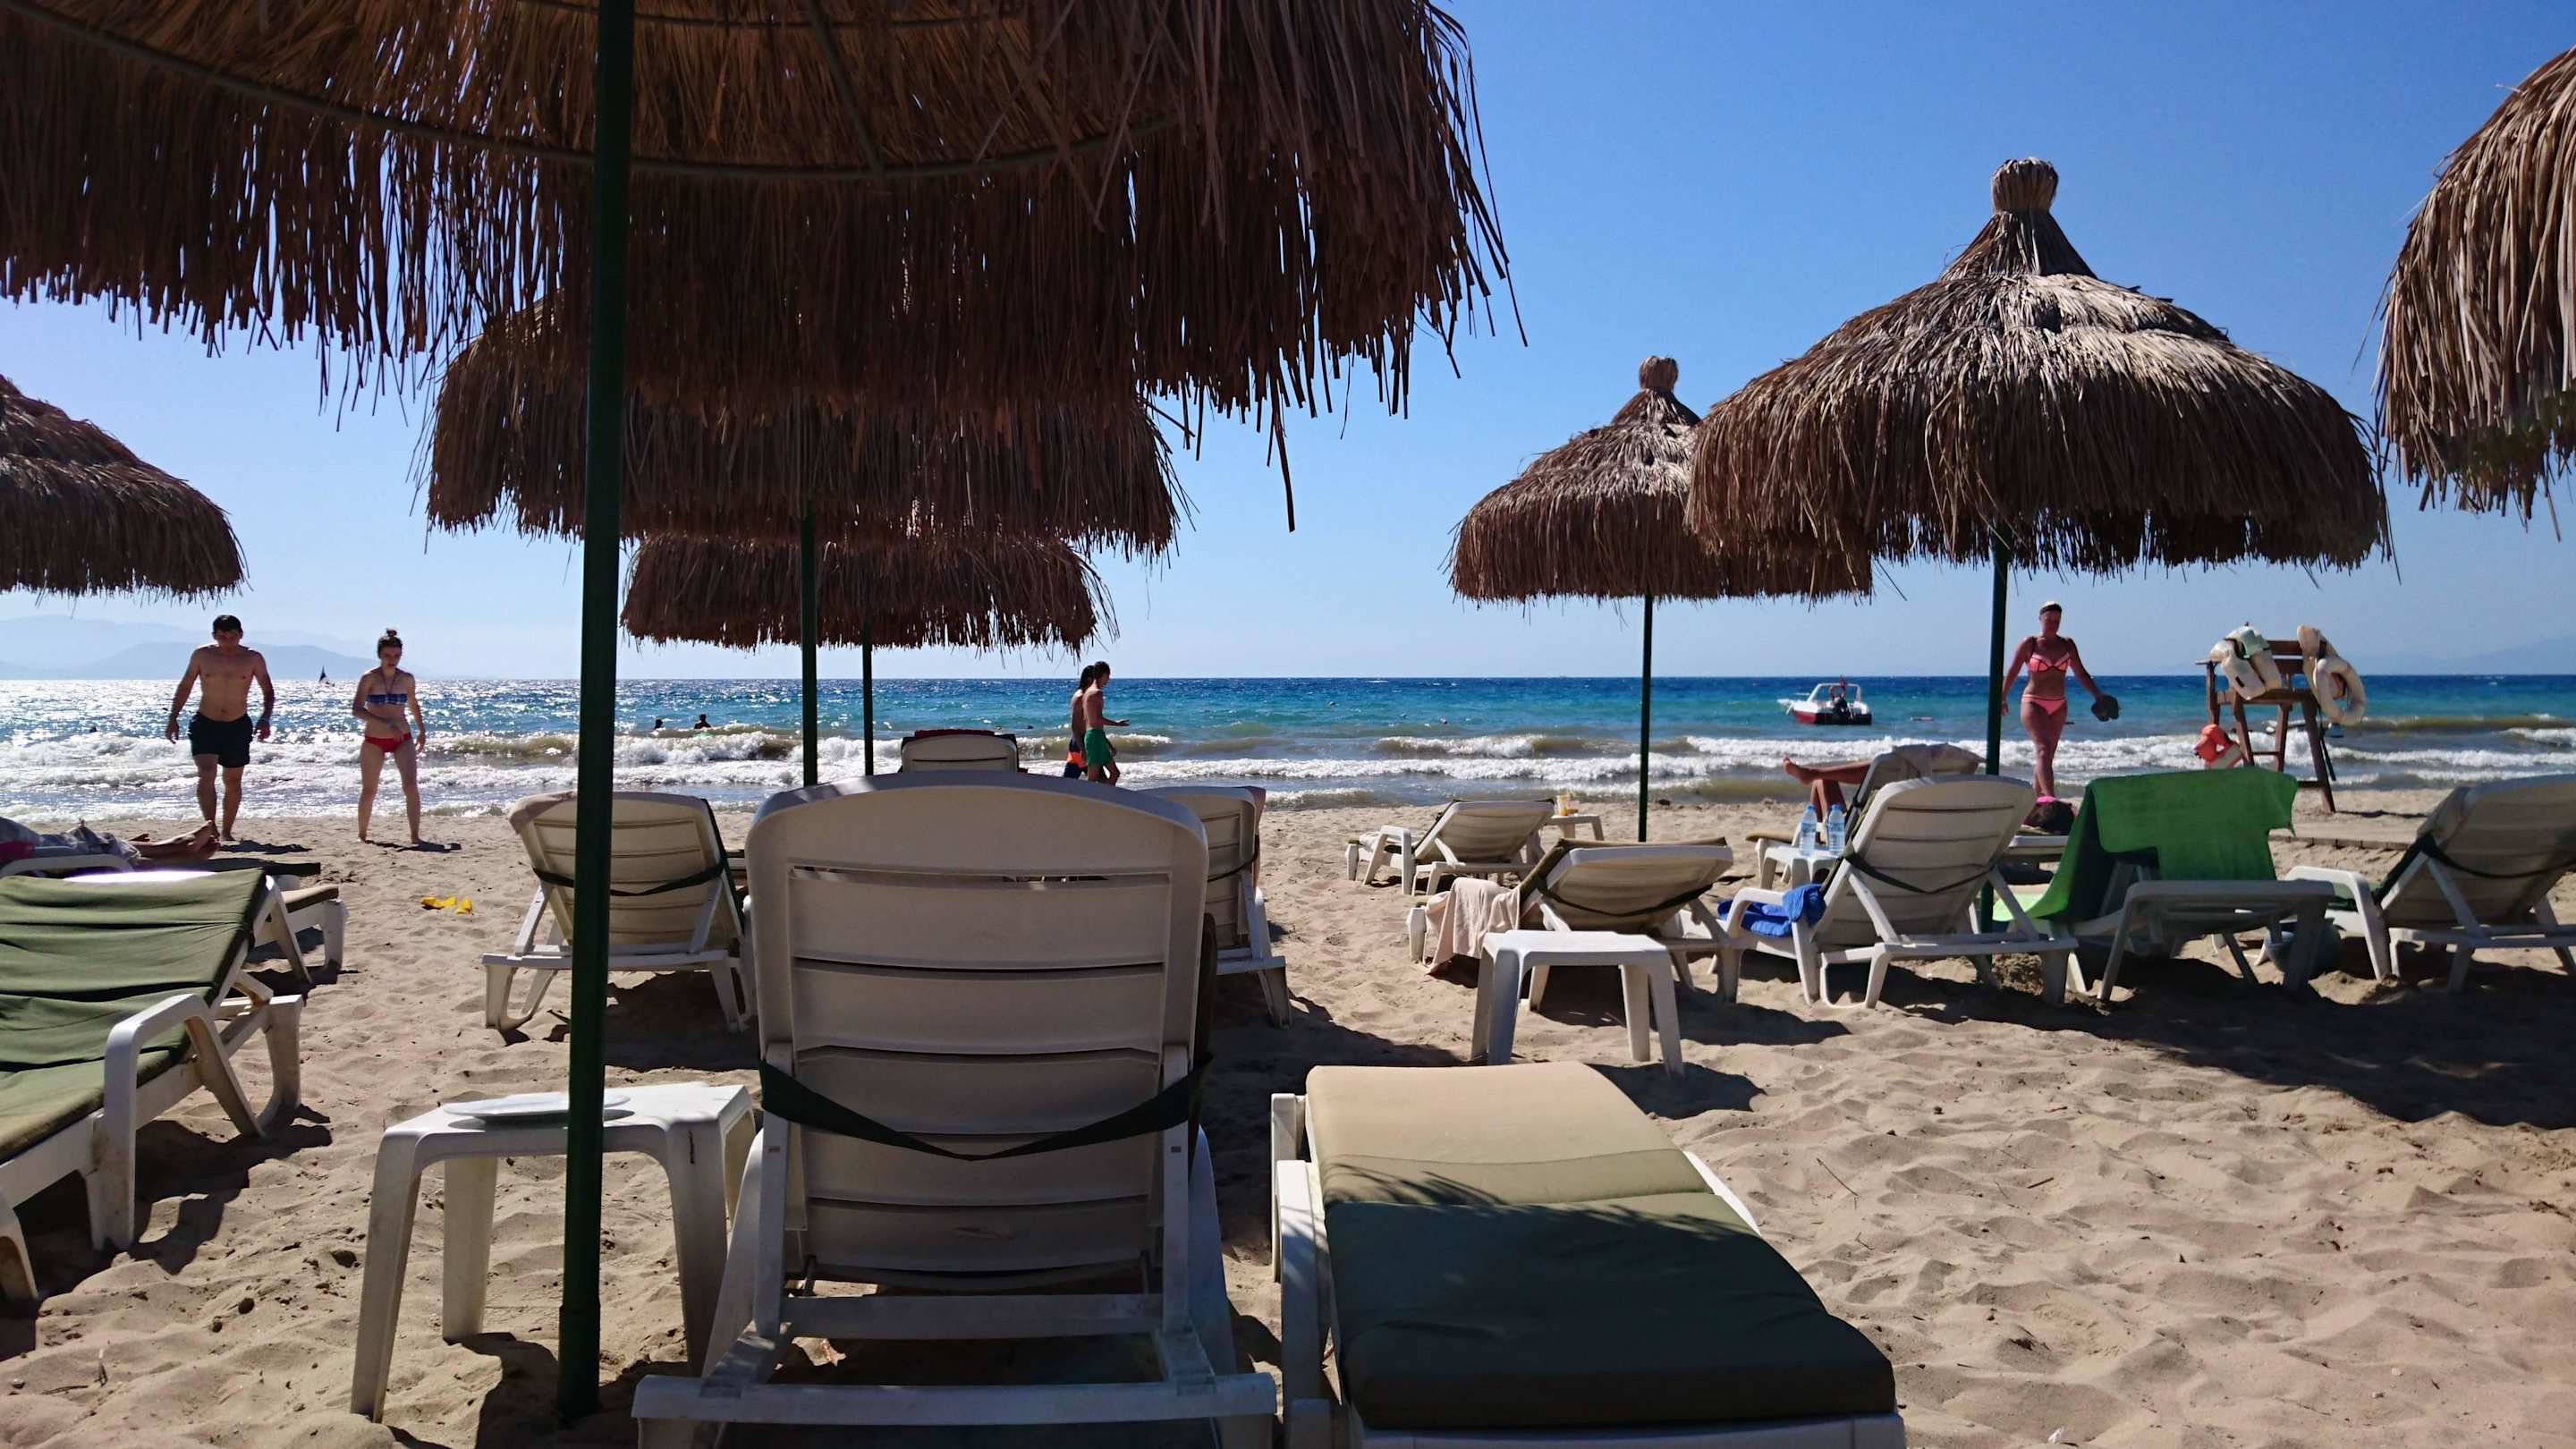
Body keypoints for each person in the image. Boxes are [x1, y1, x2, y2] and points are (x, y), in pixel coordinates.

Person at [165, 614, 275, 841]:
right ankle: (211, 827)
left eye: (232, 636)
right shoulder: (202, 655)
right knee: (206, 774)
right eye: (222, 636)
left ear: (241, 634)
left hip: (237, 725)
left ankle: (227, 831)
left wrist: (265, 718)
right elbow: (186, 685)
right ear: (214, 635)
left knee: (232, 781)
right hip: (205, 722)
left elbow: (268, 690)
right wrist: (173, 717)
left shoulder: (253, 658)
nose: (227, 641)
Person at [1998, 600, 2102, 800]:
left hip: (2059, 704)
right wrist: (2002, 697)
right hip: (2033, 702)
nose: (2053, 623)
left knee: (2045, 757)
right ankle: (2051, 799)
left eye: (2057, 620)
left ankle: (2035, 803)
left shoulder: (2067, 644)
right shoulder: (2030, 643)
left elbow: (2081, 673)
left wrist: (2098, 695)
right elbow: (2012, 672)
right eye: (2049, 619)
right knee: (2043, 750)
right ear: (2040, 619)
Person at [352, 628, 428, 844]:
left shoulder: (407, 679)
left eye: (396, 655)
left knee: (410, 786)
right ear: (379, 655)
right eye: (387, 655)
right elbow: (356, 709)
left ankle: (415, 836)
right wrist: (384, 723)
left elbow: (413, 704)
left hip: (402, 738)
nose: (392, 660)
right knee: (369, 790)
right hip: (374, 740)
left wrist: (422, 730)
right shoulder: (369, 678)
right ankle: (362, 835)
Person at [1, 815, 220, 869]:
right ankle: (175, 852)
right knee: (86, 847)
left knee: (76, 842)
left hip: (19, 854)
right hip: (24, 861)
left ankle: (171, 848)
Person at [1080, 660, 1129, 785]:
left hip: (1096, 735)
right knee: (1092, 777)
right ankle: (1088, 796)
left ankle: (1105, 795)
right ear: (1103, 675)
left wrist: (1108, 744)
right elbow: (1096, 719)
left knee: (1115, 773)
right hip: (1094, 737)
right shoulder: (1096, 693)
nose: (1108, 680)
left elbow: (1090, 721)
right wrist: (1117, 724)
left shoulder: (1087, 692)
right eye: (1108, 676)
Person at [1063, 665, 1099, 777]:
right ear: (1089, 679)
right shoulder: (1080, 697)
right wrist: (1083, 749)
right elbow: (1075, 727)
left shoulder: (1086, 696)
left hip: (1079, 744)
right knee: (1100, 780)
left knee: (1068, 782)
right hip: (1080, 744)